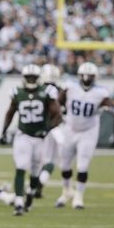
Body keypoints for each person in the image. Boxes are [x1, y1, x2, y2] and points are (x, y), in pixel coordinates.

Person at [0, 64, 62, 216]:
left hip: (40, 138)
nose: (31, 80)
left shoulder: (47, 92)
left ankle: (30, 195)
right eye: (28, 77)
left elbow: (57, 115)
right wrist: (4, 131)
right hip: (23, 135)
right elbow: (10, 113)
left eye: (33, 77)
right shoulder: (17, 92)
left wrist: (47, 129)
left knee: (35, 173)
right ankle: (19, 203)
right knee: (21, 167)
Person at [56, 62, 114, 209]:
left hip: (88, 131)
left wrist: (111, 108)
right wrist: (61, 110)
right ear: (79, 75)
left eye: (90, 76)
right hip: (69, 128)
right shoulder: (70, 86)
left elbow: (110, 104)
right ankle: (66, 191)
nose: (86, 78)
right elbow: (59, 101)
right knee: (64, 164)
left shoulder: (100, 92)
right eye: (84, 75)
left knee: (82, 165)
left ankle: (79, 196)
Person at [35, 64, 64, 198]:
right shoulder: (59, 90)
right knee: (51, 161)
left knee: (41, 160)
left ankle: (36, 185)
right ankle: (38, 184)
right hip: (56, 128)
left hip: (40, 128)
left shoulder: (37, 89)